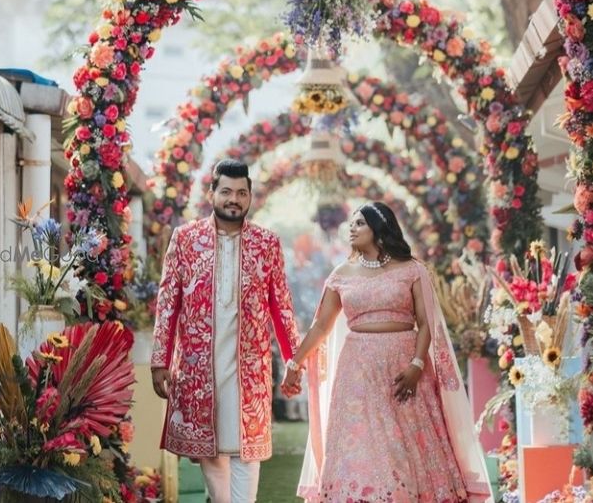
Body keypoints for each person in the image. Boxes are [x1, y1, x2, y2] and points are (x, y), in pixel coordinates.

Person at [282, 201, 493, 503]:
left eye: (359, 223)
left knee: (405, 444)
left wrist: (417, 366)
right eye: (351, 223)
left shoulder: (412, 269)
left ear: (378, 228)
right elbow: (320, 327)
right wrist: (295, 363)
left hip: (403, 367)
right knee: (363, 444)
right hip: (357, 371)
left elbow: (425, 323)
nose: (351, 229)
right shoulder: (341, 273)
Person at [151, 158, 300, 503]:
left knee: (247, 450)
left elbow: (282, 305)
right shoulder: (186, 239)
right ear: (212, 193)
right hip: (198, 365)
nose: (234, 199)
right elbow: (167, 302)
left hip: (249, 365)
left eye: (241, 193)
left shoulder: (267, 243)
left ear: (250, 197)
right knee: (212, 451)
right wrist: (160, 360)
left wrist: (294, 358)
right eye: (227, 192)